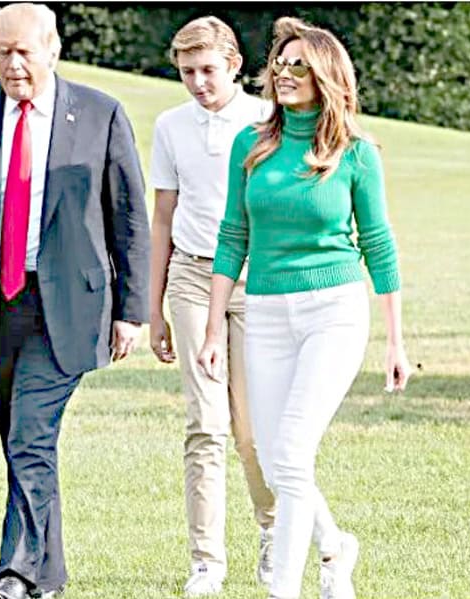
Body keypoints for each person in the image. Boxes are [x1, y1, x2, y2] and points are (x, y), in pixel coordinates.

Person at [0, 4, 150, 599]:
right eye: (2, 51)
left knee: (29, 437)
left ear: (53, 50)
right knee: (24, 443)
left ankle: (14, 575)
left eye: (24, 52)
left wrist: (132, 309)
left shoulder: (100, 114)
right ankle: (49, 575)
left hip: (68, 306)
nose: (13, 64)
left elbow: (129, 218)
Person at [196, 16, 412, 599]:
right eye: (281, 63)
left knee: (291, 452)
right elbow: (232, 237)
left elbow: (379, 245)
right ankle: (335, 546)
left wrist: (396, 342)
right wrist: (213, 329)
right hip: (266, 314)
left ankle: (284, 591)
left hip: (333, 313)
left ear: (326, 76)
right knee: (274, 461)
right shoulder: (250, 145)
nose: (285, 73)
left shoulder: (356, 153)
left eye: (299, 66)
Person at [148, 16, 276, 597]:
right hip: (192, 280)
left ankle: (273, 531)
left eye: (207, 70)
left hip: (254, 283)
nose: (198, 83)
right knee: (205, 425)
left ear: (234, 65)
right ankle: (206, 562)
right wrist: (153, 308)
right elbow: (163, 218)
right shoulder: (170, 127)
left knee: (252, 430)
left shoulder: (268, 120)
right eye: (187, 72)